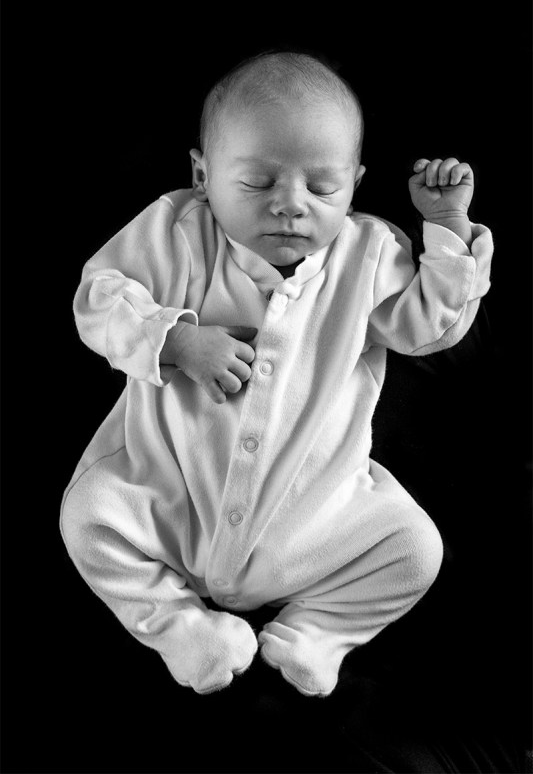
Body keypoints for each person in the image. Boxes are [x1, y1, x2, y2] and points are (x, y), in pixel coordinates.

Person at [60, 50, 493, 698]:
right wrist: (176, 339)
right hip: (166, 497)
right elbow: (98, 299)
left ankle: (316, 632)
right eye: (258, 183)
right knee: (86, 516)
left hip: (311, 520)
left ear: (353, 182)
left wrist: (445, 228)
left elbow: (428, 326)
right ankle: (179, 626)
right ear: (203, 174)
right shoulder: (177, 231)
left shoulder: (369, 253)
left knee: (412, 549)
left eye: (321, 188)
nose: (290, 205)